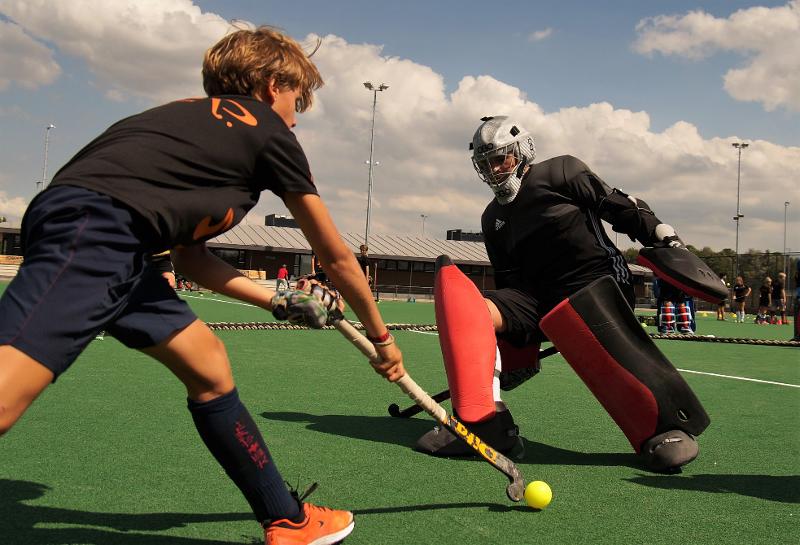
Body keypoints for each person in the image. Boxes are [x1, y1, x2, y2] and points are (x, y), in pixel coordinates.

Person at [0, 26, 405, 545]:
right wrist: (383, 340)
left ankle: (287, 520)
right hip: (96, 231)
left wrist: (280, 298)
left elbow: (191, 259)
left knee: (209, 365)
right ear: (268, 83)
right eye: (296, 97)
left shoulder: (193, 126)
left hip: (121, 247)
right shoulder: (267, 129)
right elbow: (336, 255)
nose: (297, 114)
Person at [415, 115, 709, 473]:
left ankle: (665, 427)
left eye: (500, 158)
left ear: (523, 151)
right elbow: (510, 285)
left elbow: (622, 208)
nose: (493, 170)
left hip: (597, 284)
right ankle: (484, 422)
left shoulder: (561, 172)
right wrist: (517, 348)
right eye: (485, 164)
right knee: (465, 303)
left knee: (587, 315)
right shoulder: (492, 217)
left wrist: (666, 239)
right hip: (539, 298)